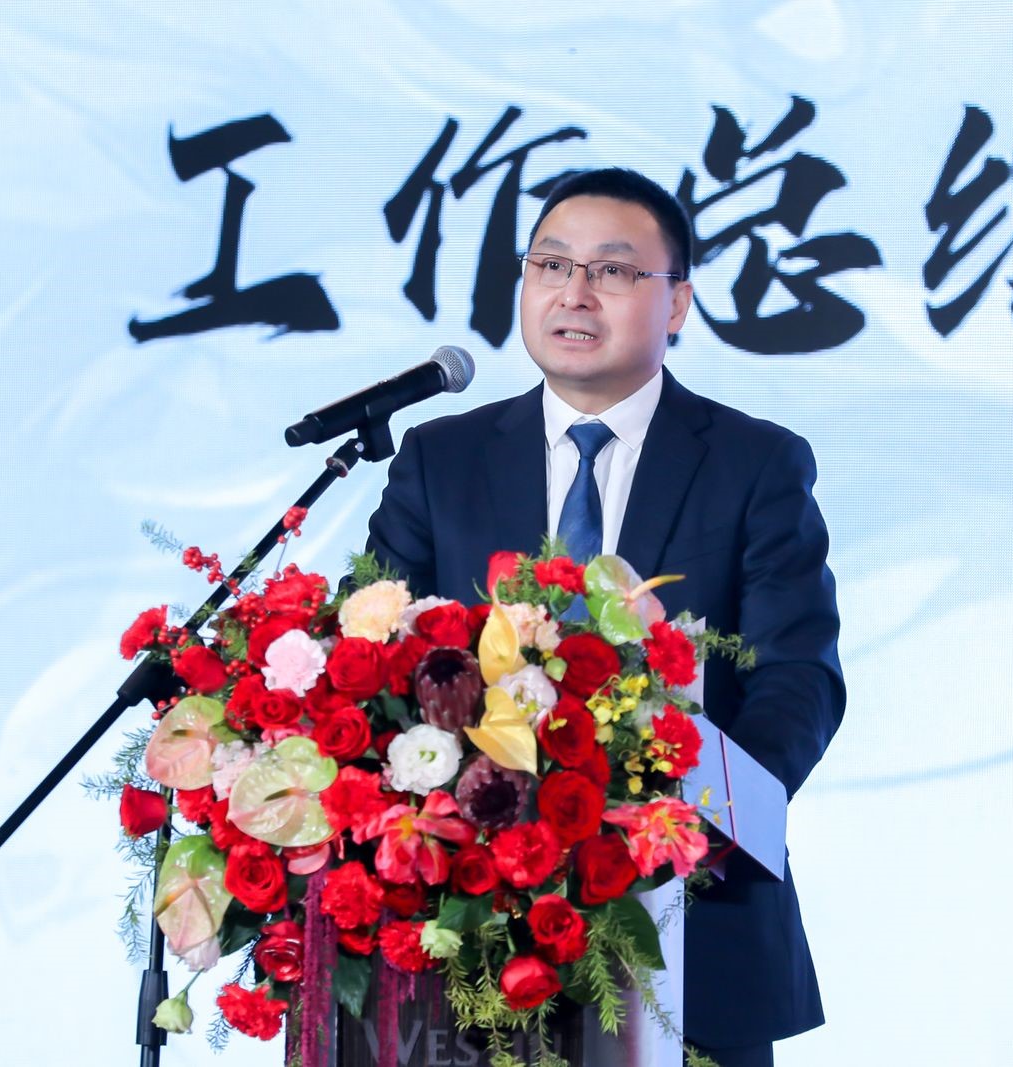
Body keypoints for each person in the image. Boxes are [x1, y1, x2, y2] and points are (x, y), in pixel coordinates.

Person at [363, 167, 844, 1067]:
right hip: (466, 932)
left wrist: (690, 823)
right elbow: (379, 660)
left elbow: (797, 679)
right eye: (551, 264)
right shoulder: (440, 458)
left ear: (677, 303)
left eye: (613, 271)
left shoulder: (755, 463)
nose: (574, 292)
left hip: (694, 925)